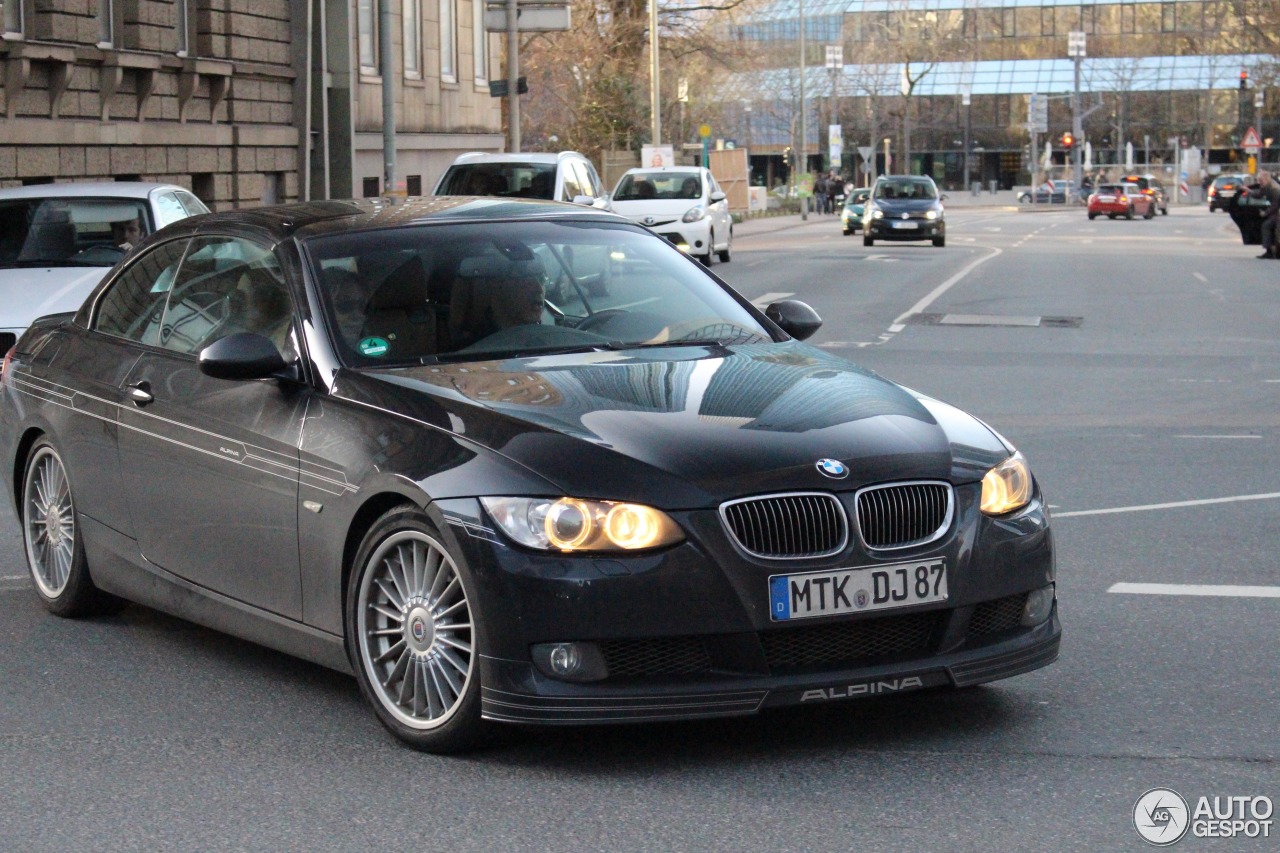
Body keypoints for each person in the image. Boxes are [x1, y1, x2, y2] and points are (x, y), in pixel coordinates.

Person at [1255, 171, 1280, 259]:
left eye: (1261, 180)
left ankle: (1277, 252)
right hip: (1276, 214)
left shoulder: (1275, 189)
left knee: (1278, 231)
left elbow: (1275, 206)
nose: (1259, 182)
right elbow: (1259, 194)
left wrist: (1265, 213)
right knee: (1266, 225)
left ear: (1266, 179)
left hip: (1278, 214)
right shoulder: (1266, 187)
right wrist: (1248, 191)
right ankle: (1269, 251)